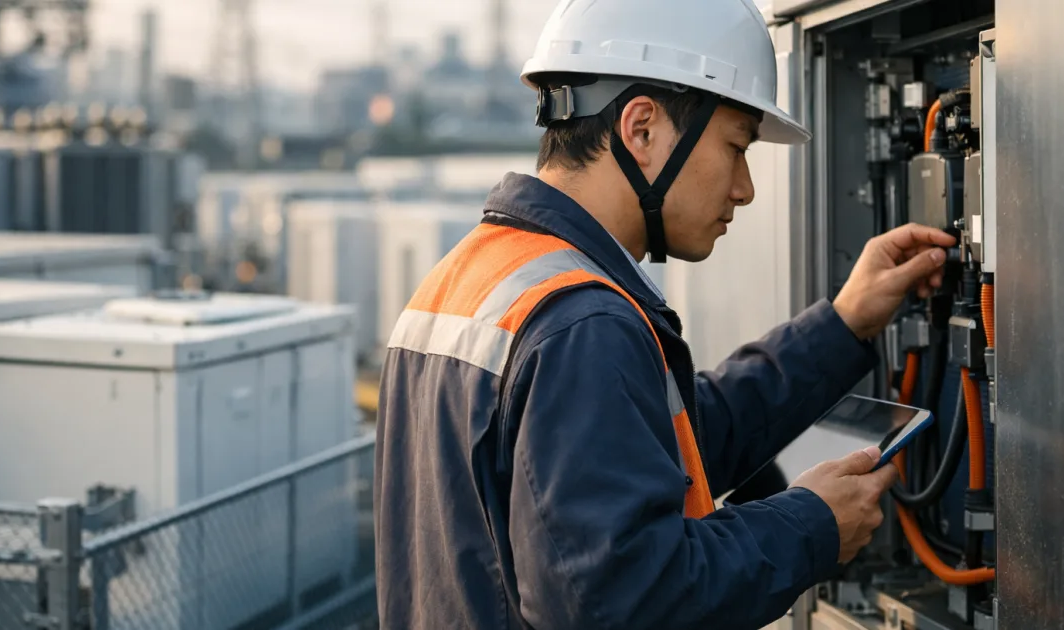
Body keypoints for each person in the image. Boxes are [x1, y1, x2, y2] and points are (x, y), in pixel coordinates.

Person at [373, 0, 958, 628]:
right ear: (641, 130)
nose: (745, 187)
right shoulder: (581, 324)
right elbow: (620, 599)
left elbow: (664, 453)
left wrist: (846, 321)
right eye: (736, 147)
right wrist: (811, 527)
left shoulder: (473, 277)